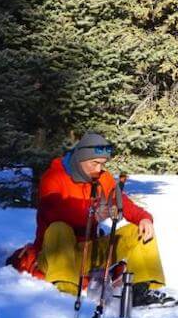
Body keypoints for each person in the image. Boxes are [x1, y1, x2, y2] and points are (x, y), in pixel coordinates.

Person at [9, 131, 169, 307]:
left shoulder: (102, 178)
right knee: (59, 229)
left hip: (88, 254)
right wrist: (92, 213)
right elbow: (55, 213)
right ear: (80, 159)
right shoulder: (53, 178)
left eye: (102, 164)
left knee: (136, 231)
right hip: (57, 254)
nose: (99, 169)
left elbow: (121, 201)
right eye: (95, 163)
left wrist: (143, 218)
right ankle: (65, 293)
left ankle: (141, 290)